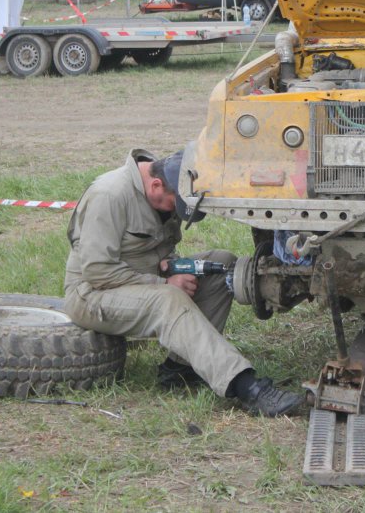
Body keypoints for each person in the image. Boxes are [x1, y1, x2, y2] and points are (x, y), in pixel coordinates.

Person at [63, 148, 302, 417]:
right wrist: (162, 283)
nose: (176, 212)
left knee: (221, 264)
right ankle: (246, 387)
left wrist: (169, 264)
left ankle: (181, 369)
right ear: (156, 185)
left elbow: (160, 247)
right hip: (91, 293)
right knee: (170, 299)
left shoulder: (172, 183)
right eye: (174, 205)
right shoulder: (109, 195)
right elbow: (97, 271)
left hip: (141, 280)